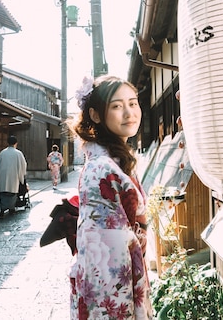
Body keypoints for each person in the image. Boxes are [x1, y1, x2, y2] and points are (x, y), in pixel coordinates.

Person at [67, 75, 152, 319]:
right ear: (95, 115)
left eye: (133, 103)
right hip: (111, 289)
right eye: (116, 106)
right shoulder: (101, 169)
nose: (129, 113)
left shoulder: (114, 161)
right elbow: (109, 253)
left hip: (122, 278)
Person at [0, 135, 27, 220]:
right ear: (16, 143)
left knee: (3, 194)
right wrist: (21, 177)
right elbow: (23, 165)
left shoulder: (2, 152)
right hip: (14, 176)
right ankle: (11, 209)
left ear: (8, 143)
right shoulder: (18, 153)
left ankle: (2, 210)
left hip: (3, 176)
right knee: (12, 193)